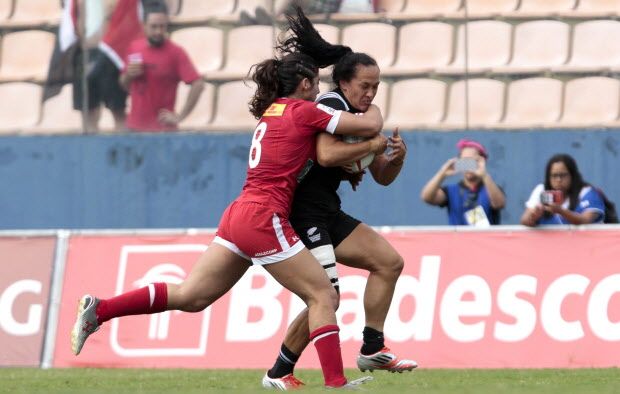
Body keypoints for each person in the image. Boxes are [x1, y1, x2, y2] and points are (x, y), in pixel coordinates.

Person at [70, 6, 385, 389]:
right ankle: (335, 383)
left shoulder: (271, 111)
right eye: (316, 85)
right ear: (303, 85)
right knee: (323, 294)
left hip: (238, 213)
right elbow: (368, 122)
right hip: (264, 216)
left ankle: (101, 310)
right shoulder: (303, 112)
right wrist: (376, 133)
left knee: (191, 295)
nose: (320, 92)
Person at [262, 52, 415, 391]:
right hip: (302, 213)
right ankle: (278, 372)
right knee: (326, 297)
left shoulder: (358, 116)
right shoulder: (330, 104)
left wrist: (396, 159)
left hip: (327, 211)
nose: (372, 93)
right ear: (344, 83)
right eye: (365, 85)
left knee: (388, 263)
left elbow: (382, 176)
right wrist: (373, 140)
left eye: (376, 86)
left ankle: (373, 348)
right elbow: (327, 155)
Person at [119, 1, 204, 132]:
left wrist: (180, 117)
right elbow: (124, 85)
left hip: (163, 131)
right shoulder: (134, 48)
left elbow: (198, 84)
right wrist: (128, 76)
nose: (158, 31)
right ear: (144, 26)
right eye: (154, 27)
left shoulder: (176, 52)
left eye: (162, 27)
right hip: (134, 129)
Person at [72, 0, 145, 131]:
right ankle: (91, 149)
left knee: (117, 110)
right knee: (87, 112)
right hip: (85, 53)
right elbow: (78, 23)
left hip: (111, 54)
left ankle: (123, 147)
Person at [420, 139, 506, 226]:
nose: (468, 165)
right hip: (457, 239)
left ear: (482, 162)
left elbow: (499, 204)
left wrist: (484, 175)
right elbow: (427, 197)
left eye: (472, 161)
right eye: (464, 161)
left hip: (486, 239)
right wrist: (442, 173)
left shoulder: (491, 189)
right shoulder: (451, 191)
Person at [520, 153, 605, 226]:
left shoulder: (587, 193)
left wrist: (561, 211)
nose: (558, 180)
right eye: (554, 176)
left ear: (572, 176)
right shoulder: (541, 190)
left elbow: (585, 220)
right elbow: (524, 221)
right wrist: (534, 216)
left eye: (563, 175)